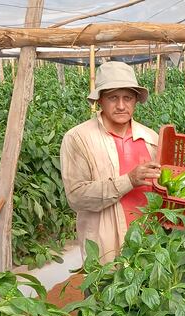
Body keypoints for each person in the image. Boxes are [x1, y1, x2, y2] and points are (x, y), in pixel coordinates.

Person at [60, 61, 161, 263]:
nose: (121, 105)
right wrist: (128, 181)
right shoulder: (79, 138)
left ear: (135, 101)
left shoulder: (151, 138)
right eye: (113, 97)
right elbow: (76, 196)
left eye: (128, 98)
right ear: (100, 100)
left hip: (149, 243)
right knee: (104, 291)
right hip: (105, 249)